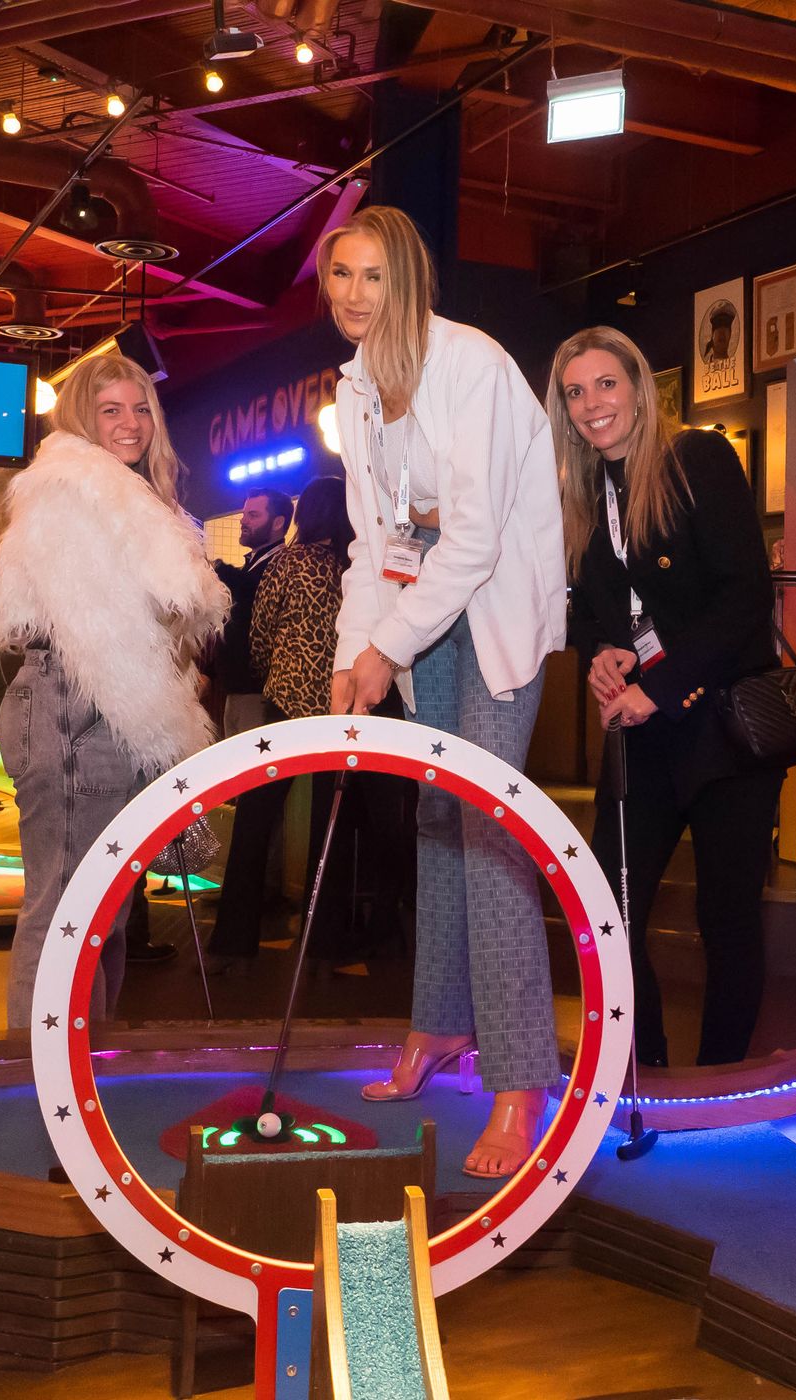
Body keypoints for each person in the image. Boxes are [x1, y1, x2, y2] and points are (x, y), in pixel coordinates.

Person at [318, 205, 567, 1179]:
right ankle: (438, 1024)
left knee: (489, 833)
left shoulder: (472, 364)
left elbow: (472, 540)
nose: (353, 294)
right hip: (424, 622)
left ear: (410, 281)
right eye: (341, 273)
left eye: (373, 275)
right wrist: (351, 654)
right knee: (435, 824)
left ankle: (520, 1078)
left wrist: (385, 648)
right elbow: (372, 544)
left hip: (492, 615)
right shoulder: (354, 391)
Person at [547, 326, 784, 1066]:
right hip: (644, 737)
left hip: (725, 728)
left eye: (606, 383)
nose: (593, 403)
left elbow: (745, 596)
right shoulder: (585, 495)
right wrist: (602, 651)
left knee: (727, 919)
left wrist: (660, 686)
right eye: (575, 392)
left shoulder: (696, 460)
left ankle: (719, 1083)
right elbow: (588, 608)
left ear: (639, 387)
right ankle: (644, 1070)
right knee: (607, 909)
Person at [0, 356, 228, 1029]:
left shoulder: (128, 497)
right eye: (111, 410)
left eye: (141, 408)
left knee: (104, 912)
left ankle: (81, 1063)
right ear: (81, 419)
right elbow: (141, 609)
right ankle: (41, 1070)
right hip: (74, 702)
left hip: (109, 704)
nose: (131, 424)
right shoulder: (71, 485)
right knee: (67, 910)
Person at [204, 475, 355, 971]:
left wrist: (277, 670)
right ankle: (325, 942)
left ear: (303, 514)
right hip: (341, 710)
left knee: (255, 820)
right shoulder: (353, 567)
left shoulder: (288, 562)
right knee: (329, 826)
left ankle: (234, 941)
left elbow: (261, 631)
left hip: (285, 704)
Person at [212, 489, 292, 737]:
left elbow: (251, 595)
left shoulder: (283, 564)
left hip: (259, 692)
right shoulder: (252, 565)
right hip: (236, 689)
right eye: (244, 514)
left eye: (253, 515)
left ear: (278, 523)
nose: (243, 521)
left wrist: (215, 568)